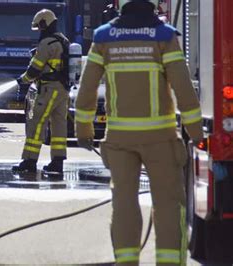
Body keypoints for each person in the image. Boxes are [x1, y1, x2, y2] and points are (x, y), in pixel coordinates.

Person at [75, 0, 203, 264]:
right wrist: (197, 133)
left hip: (120, 140)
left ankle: (126, 261)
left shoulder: (103, 38)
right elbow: (184, 88)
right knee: (168, 206)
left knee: (124, 205)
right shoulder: (164, 36)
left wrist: (84, 130)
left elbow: (86, 91)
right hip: (161, 138)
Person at [12, 9, 70, 175]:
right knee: (59, 125)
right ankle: (57, 163)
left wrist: (22, 80)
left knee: (36, 122)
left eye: (40, 27)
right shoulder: (64, 40)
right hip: (62, 89)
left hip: (48, 88)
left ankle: (29, 161)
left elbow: (35, 68)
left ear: (45, 23)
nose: (40, 30)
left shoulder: (47, 43)